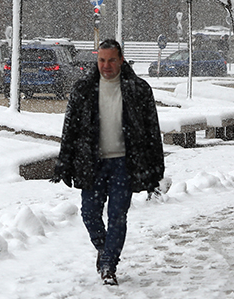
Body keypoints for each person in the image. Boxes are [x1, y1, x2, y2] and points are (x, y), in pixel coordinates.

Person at [51, 39, 165, 286]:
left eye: (112, 60)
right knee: (89, 213)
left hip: (125, 164)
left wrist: (156, 168)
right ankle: (104, 248)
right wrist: (64, 163)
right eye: (102, 60)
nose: (106, 65)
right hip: (92, 164)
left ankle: (108, 265)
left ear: (121, 60)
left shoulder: (138, 89)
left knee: (117, 215)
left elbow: (152, 130)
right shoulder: (83, 89)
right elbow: (69, 129)